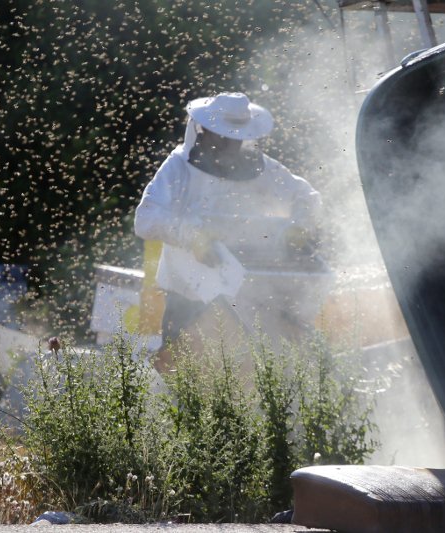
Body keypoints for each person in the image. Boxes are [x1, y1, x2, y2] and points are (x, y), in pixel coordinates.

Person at [134, 92, 324, 371]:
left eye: (236, 137)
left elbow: (308, 198)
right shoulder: (178, 168)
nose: (230, 145)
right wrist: (192, 237)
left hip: (251, 295)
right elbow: (146, 218)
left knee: (250, 377)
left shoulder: (263, 168)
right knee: (186, 379)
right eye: (224, 136)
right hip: (189, 298)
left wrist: (299, 227)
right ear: (206, 131)